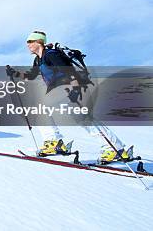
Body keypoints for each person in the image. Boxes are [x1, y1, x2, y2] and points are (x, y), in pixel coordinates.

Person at [7, 31, 133, 163]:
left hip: (66, 88)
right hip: (59, 91)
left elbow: (68, 70)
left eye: (30, 42)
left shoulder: (51, 54)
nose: (28, 45)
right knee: (81, 119)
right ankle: (116, 148)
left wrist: (75, 88)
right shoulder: (38, 59)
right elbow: (31, 75)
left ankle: (54, 142)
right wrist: (15, 73)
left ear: (39, 42)